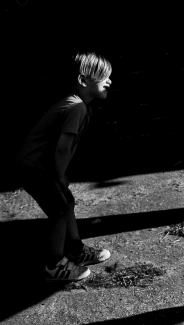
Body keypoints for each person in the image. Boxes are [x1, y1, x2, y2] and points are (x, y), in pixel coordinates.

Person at [16, 52, 113, 282]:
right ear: (83, 81)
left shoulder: (78, 106)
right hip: (34, 168)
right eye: (103, 77)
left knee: (66, 202)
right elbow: (62, 148)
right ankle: (54, 265)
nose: (109, 81)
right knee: (59, 210)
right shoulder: (76, 107)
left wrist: (59, 175)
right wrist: (59, 175)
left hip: (40, 166)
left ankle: (76, 250)